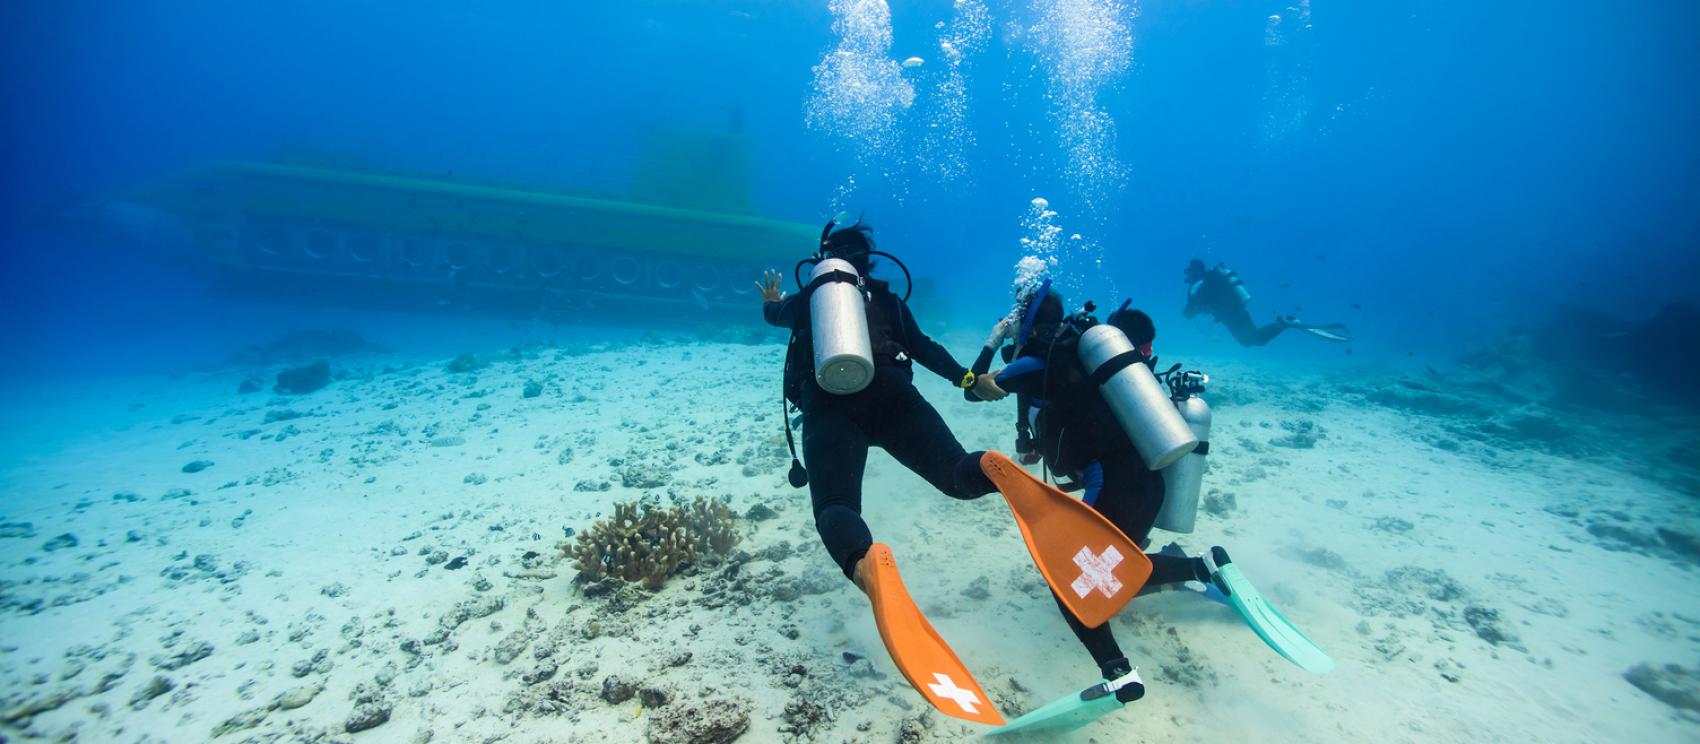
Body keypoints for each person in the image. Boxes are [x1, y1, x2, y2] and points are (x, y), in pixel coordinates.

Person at [757, 218, 1012, 725]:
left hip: (830, 406)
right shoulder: (890, 300)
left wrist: (771, 299)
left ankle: (869, 565)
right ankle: (999, 470)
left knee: (836, 507)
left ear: (824, 259)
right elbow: (924, 348)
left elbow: (773, 317)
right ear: (870, 263)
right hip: (893, 394)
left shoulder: (811, 299)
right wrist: (969, 378)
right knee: (957, 475)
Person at [972, 285, 1212, 707]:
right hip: (1148, 481)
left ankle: (1116, 671)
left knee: (1070, 577)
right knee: (1118, 573)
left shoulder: (1033, 364)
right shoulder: (1076, 356)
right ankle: (1205, 567)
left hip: (1117, 487)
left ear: (1021, 322)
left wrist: (993, 341)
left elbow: (973, 388)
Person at [1182, 259, 1350, 346]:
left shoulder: (1197, 283)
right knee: (1252, 341)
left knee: (1252, 341)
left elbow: (1188, 313)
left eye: (1188, 271)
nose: (1187, 275)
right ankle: (1284, 323)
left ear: (1194, 271)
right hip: (1238, 311)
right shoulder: (1214, 277)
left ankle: (1284, 323)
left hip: (1232, 316)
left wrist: (1194, 309)